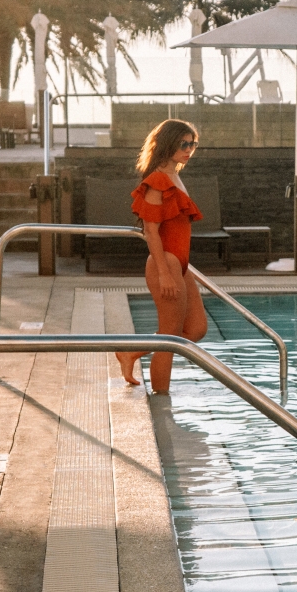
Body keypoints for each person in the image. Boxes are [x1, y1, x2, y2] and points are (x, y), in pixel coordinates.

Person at [119, 119, 210, 391]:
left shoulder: (175, 175)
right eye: (184, 144)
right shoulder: (158, 181)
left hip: (179, 264)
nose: (189, 149)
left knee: (195, 330)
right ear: (168, 143)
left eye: (193, 144)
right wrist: (163, 273)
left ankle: (131, 353)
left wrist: (184, 269)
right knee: (169, 340)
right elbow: (151, 231)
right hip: (166, 264)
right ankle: (162, 403)